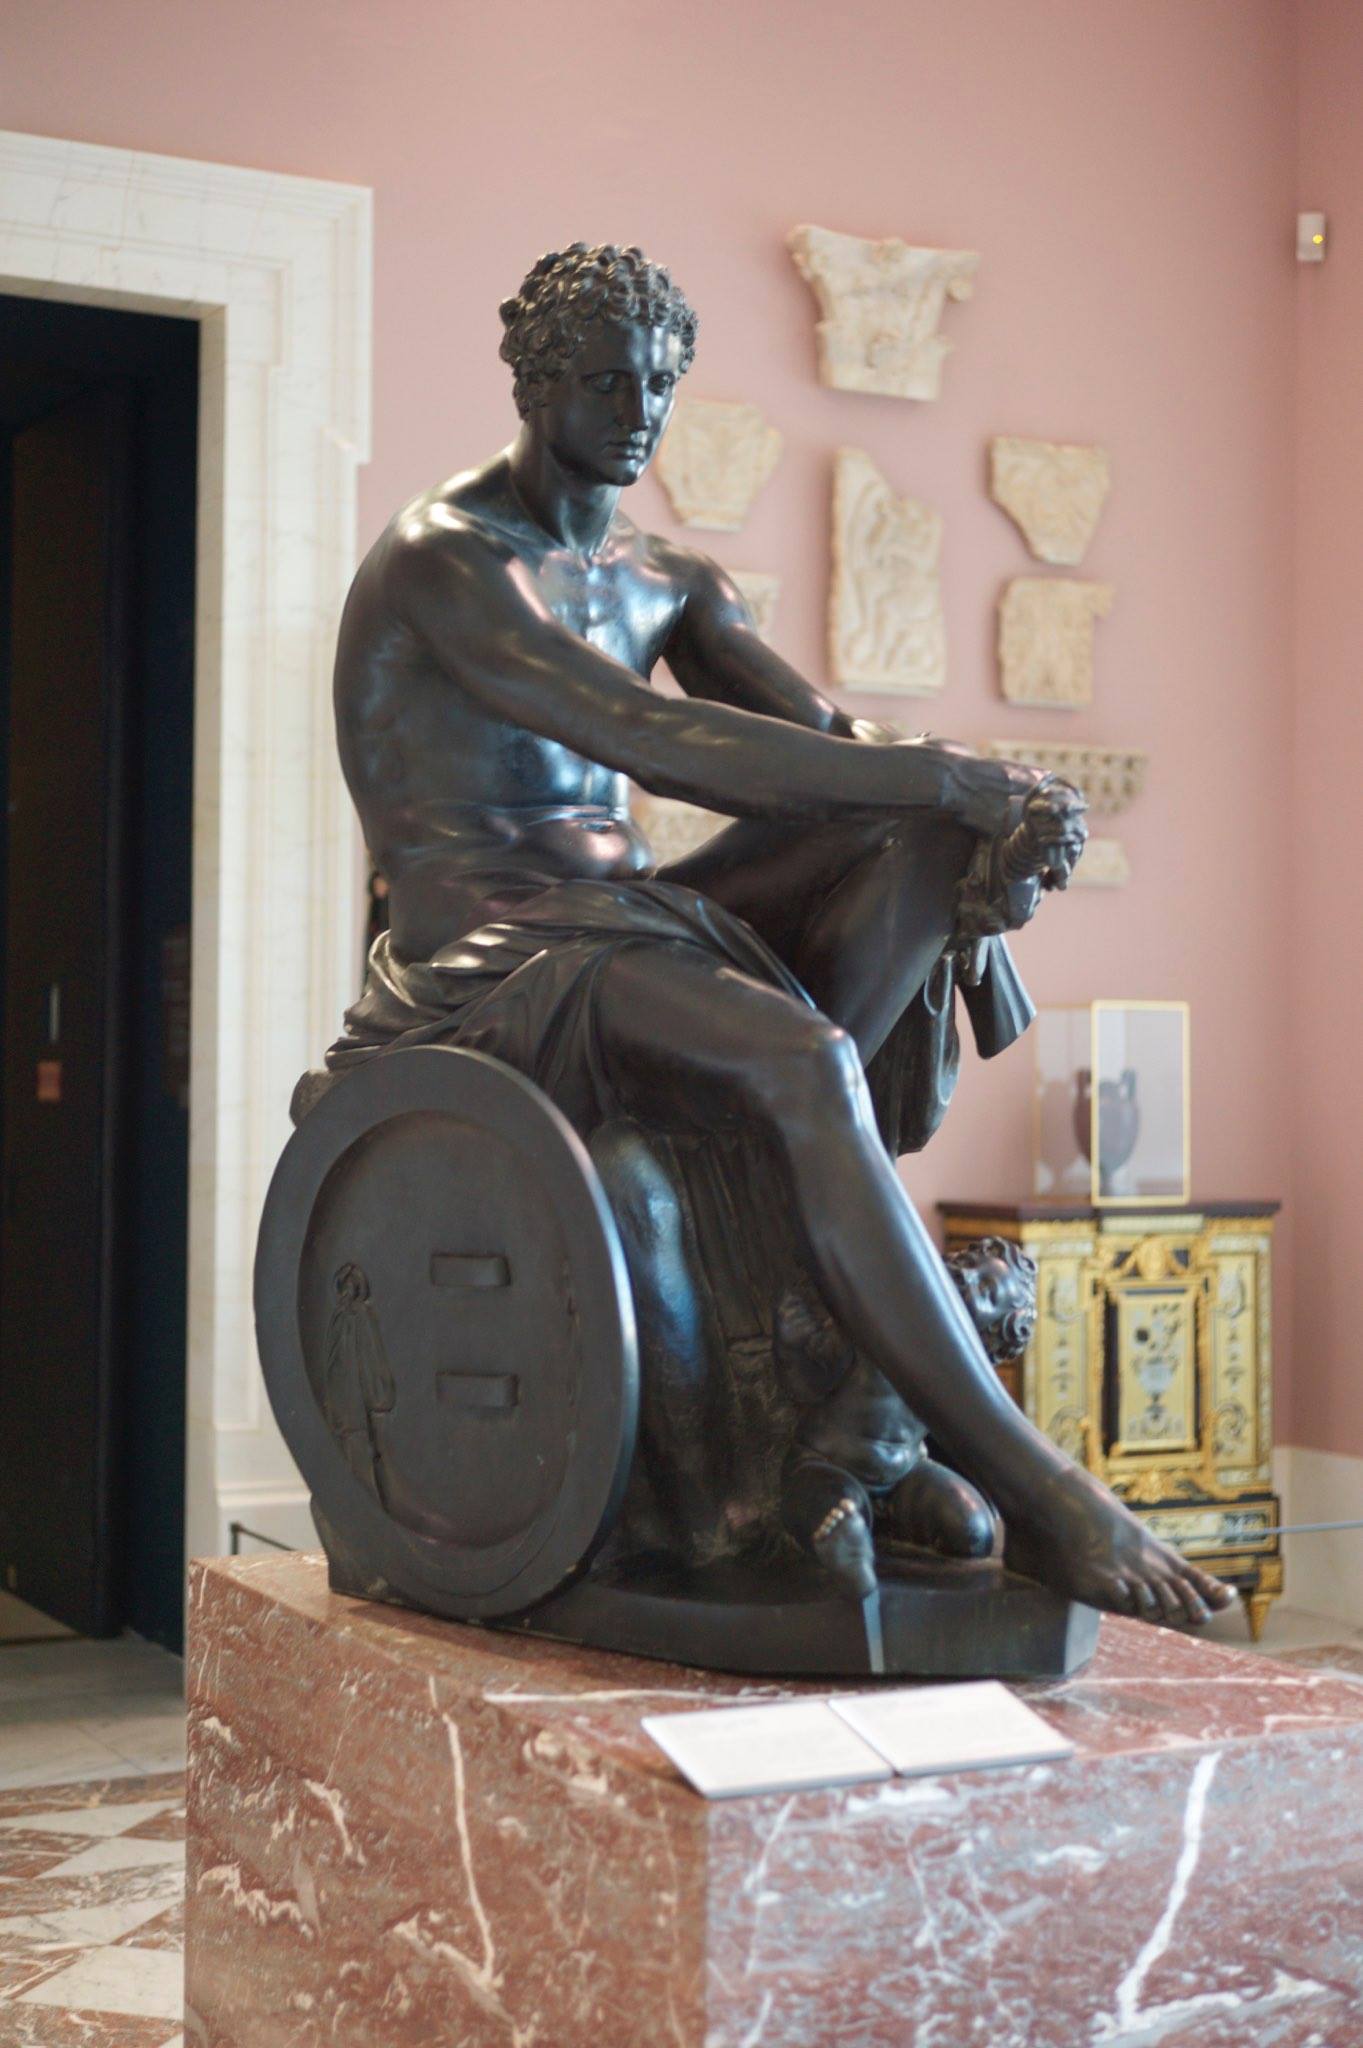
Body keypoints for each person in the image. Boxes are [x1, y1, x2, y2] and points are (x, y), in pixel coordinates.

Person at [325, 241, 1230, 1629]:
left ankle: (823, 1306)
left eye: (658, 384)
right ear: (535, 381)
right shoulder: (448, 558)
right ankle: (1041, 1485)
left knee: (915, 833)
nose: (638, 410)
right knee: (807, 1050)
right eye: (606, 381)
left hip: (629, 925)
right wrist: (940, 776)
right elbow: (651, 738)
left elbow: (823, 742)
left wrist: (984, 804)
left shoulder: (665, 577)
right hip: (491, 957)